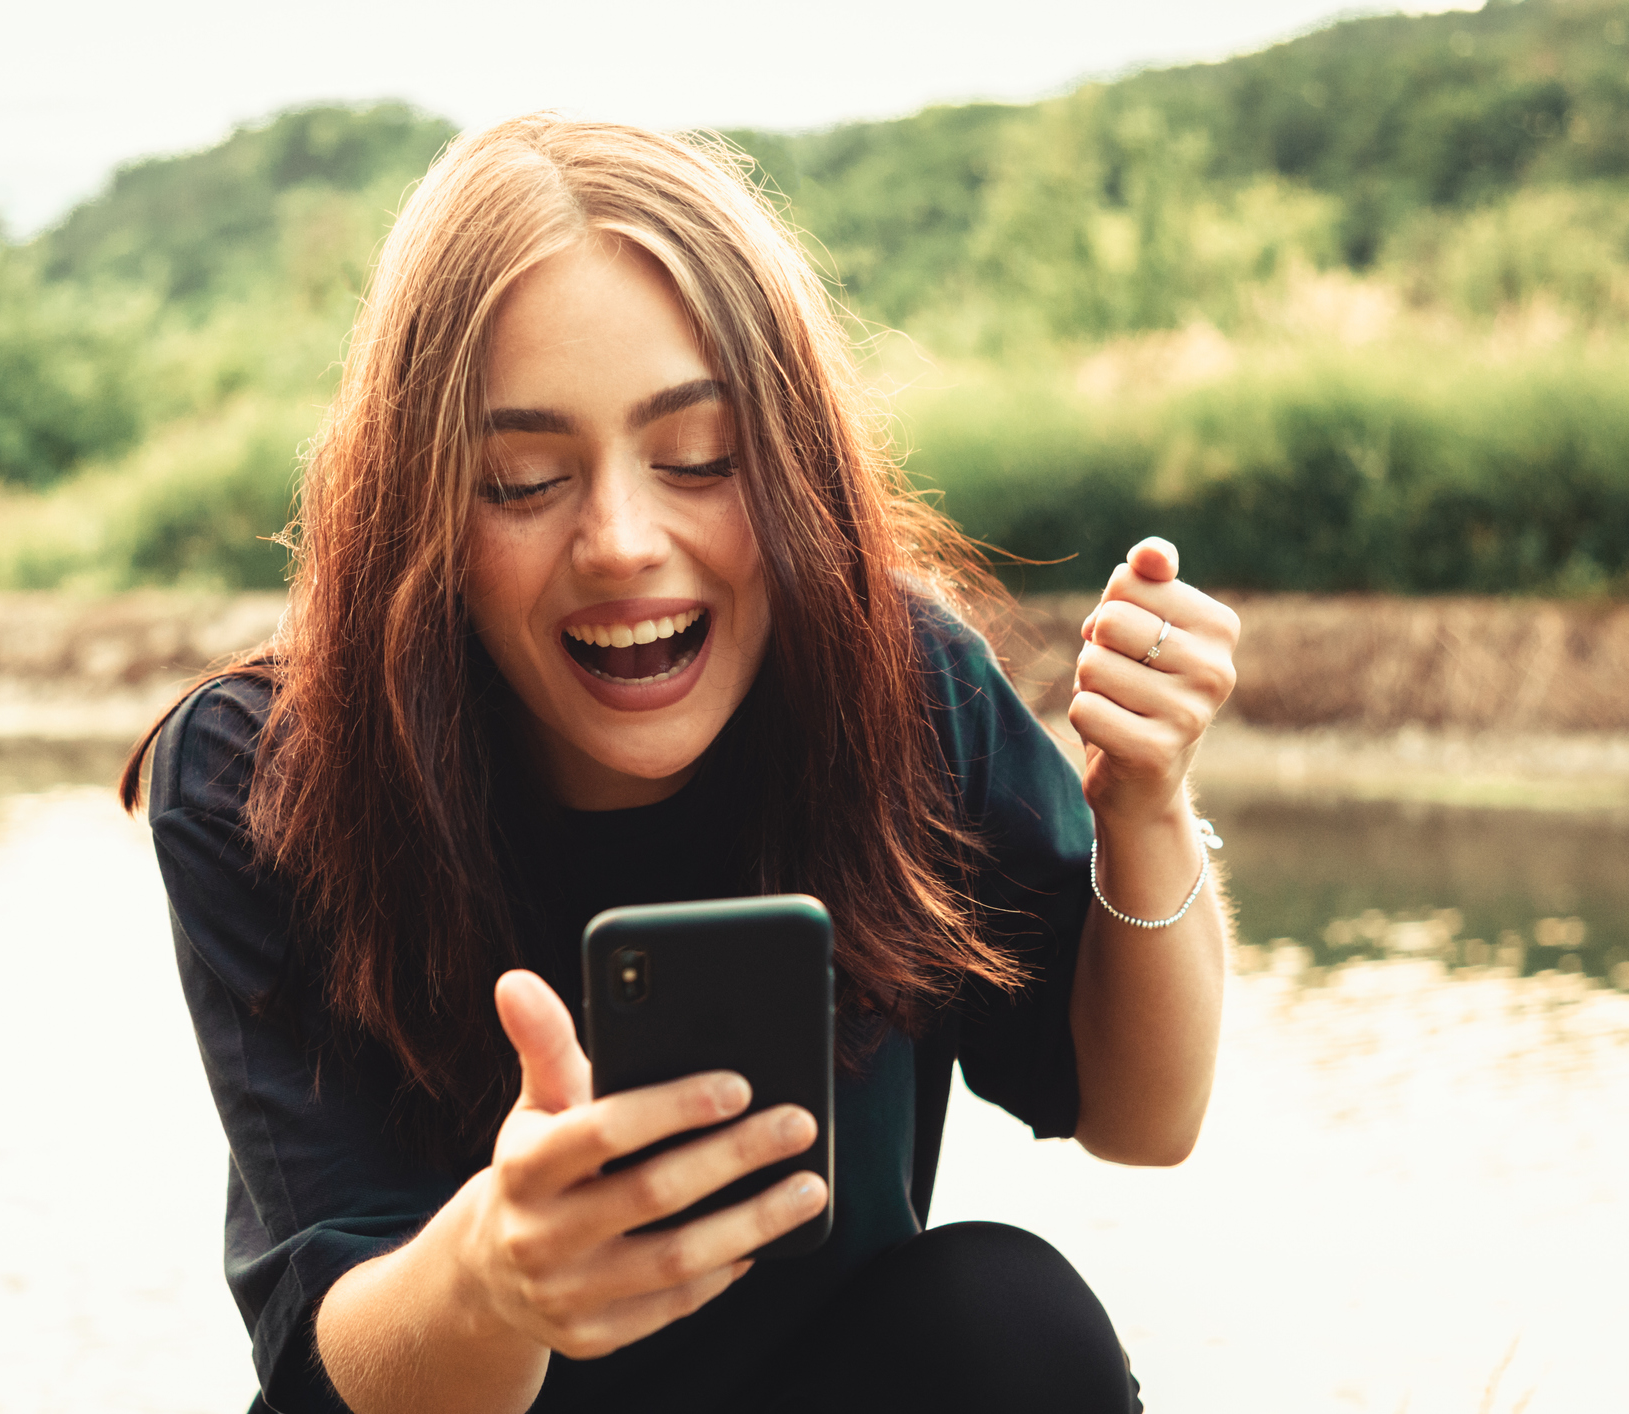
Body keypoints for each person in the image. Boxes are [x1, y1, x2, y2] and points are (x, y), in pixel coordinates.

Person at [122, 115, 1239, 1414]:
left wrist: (1145, 804)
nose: (620, 540)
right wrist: (494, 1277)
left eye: (698, 458)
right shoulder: (263, 770)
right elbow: (331, 1353)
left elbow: (1139, 1116)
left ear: (795, 461)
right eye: (522, 478)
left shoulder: (899, 685)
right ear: (419, 506)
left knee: (1005, 1315)